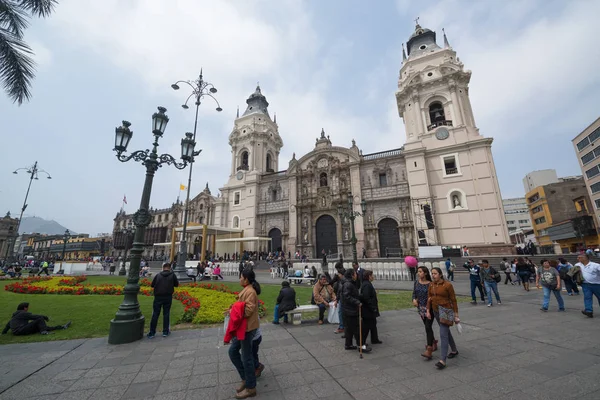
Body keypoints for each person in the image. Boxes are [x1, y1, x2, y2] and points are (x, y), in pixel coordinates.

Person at [228, 268, 261, 399]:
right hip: (242, 328)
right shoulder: (247, 290)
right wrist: (234, 307)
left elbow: (247, 311)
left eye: (241, 277)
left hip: (247, 329)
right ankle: (245, 379)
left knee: (246, 358)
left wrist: (234, 311)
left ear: (246, 279)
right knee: (232, 352)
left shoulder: (251, 292)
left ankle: (251, 387)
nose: (240, 279)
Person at [426, 267, 459, 369]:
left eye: (435, 273)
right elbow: (429, 298)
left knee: (443, 334)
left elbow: (453, 300)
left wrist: (456, 314)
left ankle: (442, 360)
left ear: (440, 274)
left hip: (446, 311)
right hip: (436, 311)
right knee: (446, 332)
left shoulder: (447, 285)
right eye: (432, 273)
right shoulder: (431, 284)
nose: (433, 275)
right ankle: (454, 350)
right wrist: (428, 310)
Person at [341, 268, 371, 353]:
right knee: (357, 328)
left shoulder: (350, 283)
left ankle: (348, 344)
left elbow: (352, 294)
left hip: (348, 310)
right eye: (355, 274)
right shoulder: (348, 284)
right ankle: (361, 345)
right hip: (350, 310)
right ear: (352, 275)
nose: (356, 275)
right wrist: (357, 302)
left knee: (349, 329)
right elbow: (347, 297)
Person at [147, 262, 179, 339]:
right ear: (170, 268)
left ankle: (152, 332)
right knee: (166, 314)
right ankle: (165, 331)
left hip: (158, 297)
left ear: (163, 268)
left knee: (155, 314)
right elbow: (176, 284)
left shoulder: (158, 275)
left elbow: (152, 285)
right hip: (168, 296)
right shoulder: (172, 275)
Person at [2, 302, 71, 336]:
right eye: (27, 307)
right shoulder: (23, 313)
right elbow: (36, 317)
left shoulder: (15, 316)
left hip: (17, 332)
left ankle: (61, 327)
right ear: (24, 308)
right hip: (21, 330)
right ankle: (44, 332)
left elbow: (8, 325)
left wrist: (4, 332)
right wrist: (45, 317)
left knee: (41, 326)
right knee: (40, 318)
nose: (28, 309)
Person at [412, 266, 437, 360]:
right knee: (427, 326)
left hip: (429, 308)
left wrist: (428, 307)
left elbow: (432, 297)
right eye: (418, 272)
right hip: (420, 308)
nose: (419, 273)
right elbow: (414, 293)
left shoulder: (430, 284)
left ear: (425, 273)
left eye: (420, 272)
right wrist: (414, 300)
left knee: (428, 327)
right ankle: (433, 341)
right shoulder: (416, 283)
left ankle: (429, 349)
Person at [360, 270, 381, 345]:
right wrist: (373, 307)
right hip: (368, 310)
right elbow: (366, 297)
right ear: (369, 276)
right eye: (372, 275)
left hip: (369, 309)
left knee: (373, 324)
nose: (373, 277)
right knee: (366, 327)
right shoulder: (367, 285)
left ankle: (374, 339)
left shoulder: (367, 284)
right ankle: (362, 342)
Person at [577, 254, 600, 318]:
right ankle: (589, 311)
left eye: (579, 257)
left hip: (596, 284)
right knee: (587, 297)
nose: (578, 259)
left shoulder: (595, 265)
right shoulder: (577, 265)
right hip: (585, 285)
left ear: (585, 258)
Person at [332, 267, 346, 334]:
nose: (338, 275)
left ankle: (342, 327)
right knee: (341, 313)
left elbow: (340, 291)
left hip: (343, 300)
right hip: (341, 299)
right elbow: (339, 291)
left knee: (341, 313)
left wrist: (337, 300)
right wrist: (337, 300)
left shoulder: (344, 281)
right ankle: (342, 326)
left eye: (339, 274)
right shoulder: (341, 281)